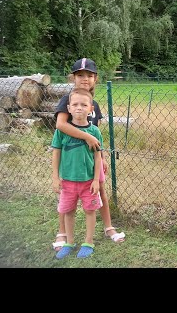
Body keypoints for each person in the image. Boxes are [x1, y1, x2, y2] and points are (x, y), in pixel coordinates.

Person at [52, 58, 125, 251]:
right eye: (80, 75)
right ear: (73, 78)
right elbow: (61, 125)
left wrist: (102, 159)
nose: (85, 79)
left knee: (99, 188)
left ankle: (108, 227)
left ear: (95, 79)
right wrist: (86, 137)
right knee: (67, 195)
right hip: (72, 160)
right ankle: (62, 232)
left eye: (89, 75)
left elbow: (96, 137)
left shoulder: (94, 105)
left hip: (91, 159)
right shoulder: (68, 100)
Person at [52, 88, 103, 258]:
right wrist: (55, 177)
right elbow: (56, 153)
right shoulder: (61, 131)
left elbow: (97, 157)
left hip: (88, 182)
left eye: (84, 104)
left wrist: (96, 180)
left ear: (91, 109)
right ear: (68, 107)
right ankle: (69, 242)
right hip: (67, 181)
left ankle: (88, 242)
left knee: (90, 211)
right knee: (68, 211)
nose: (79, 108)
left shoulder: (94, 132)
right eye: (75, 104)